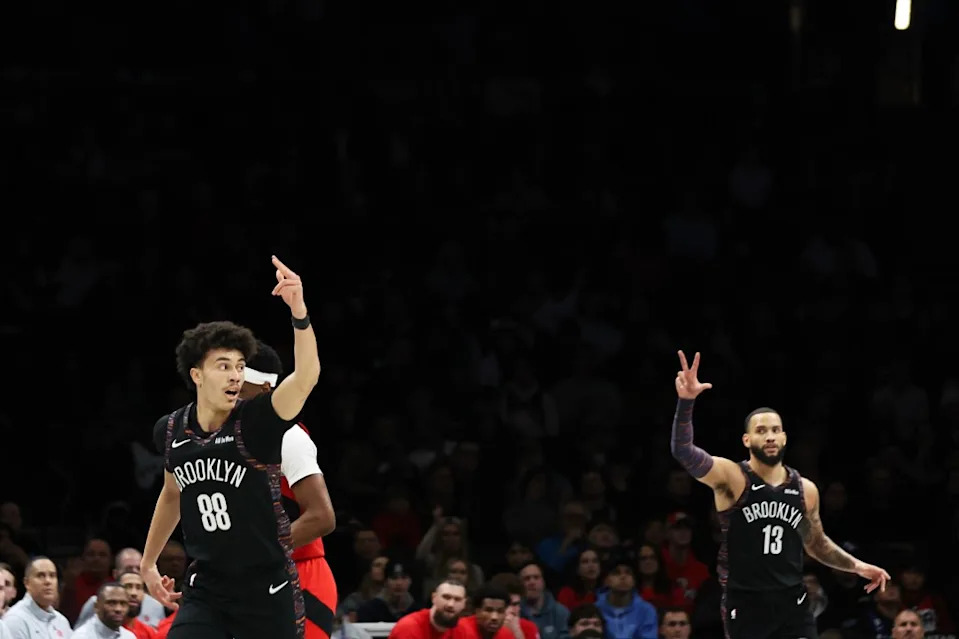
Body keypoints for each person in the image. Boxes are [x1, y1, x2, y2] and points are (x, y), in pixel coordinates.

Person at [140, 256, 322, 639]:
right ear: (197, 375)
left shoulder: (257, 422)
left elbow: (306, 377)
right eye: (223, 366)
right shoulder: (171, 429)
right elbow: (173, 494)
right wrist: (148, 562)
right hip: (208, 588)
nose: (236, 375)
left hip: (266, 587)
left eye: (240, 366)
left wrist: (299, 313)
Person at [669, 350, 890, 639]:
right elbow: (683, 452)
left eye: (776, 430)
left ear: (785, 437)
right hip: (746, 603)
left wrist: (859, 566)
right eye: (761, 431)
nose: (770, 436)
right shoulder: (732, 477)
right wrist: (686, 403)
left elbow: (816, 543)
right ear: (747, 440)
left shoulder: (804, 489)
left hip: (793, 603)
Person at [239, 339, 338, 639]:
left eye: (239, 388)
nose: (229, 395)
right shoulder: (227, 440)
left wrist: (258, 552)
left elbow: (322, 517)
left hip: (301, 577)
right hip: (253, 580)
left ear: (265, 389)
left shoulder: (289, 437)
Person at [71, 582, 136, 639]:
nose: (118, 609)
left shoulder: (129, 636)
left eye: (123, 603)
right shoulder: (82, 636)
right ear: (96, 606)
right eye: (111, 603)